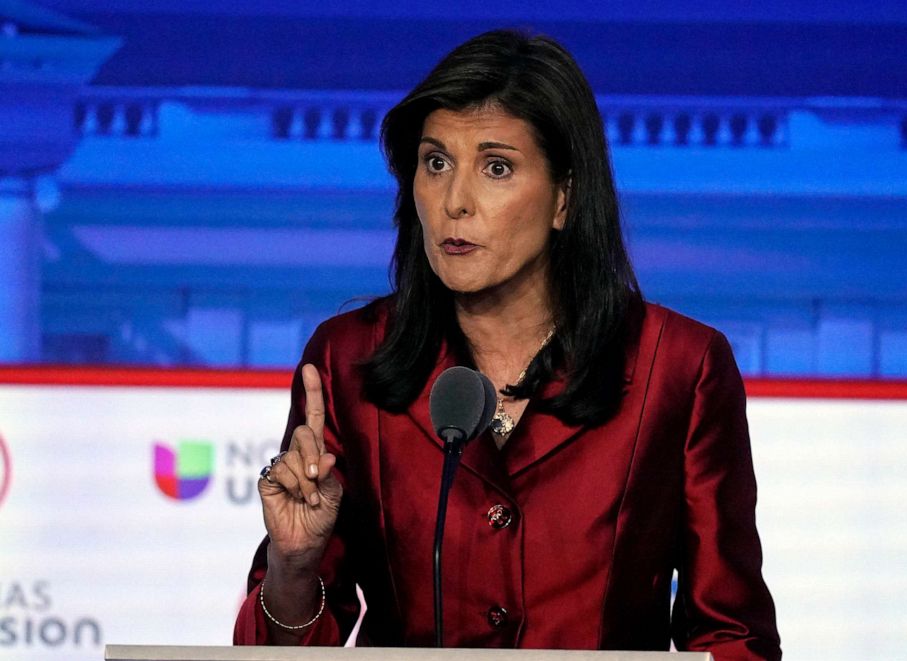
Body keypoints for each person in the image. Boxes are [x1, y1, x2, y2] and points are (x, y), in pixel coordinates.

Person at [234, 29, 780, 658]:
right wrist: (294, 565)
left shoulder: (679, 367)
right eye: (436, 163)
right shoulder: (346, 361)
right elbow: (283, 648)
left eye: (496, 167)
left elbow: (734, 636)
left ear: (564, 198)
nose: (454, 203)